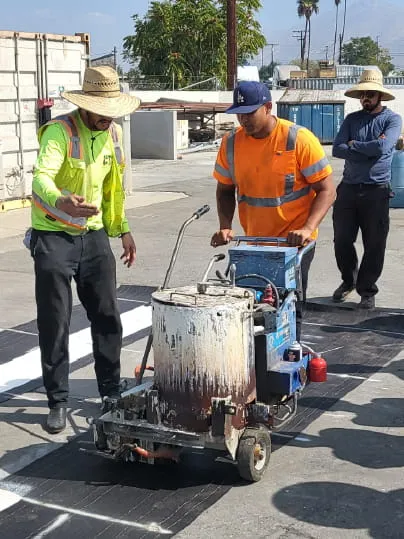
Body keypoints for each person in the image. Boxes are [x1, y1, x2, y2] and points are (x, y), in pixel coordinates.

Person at [30, 66, 141, 433]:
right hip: (54, 237)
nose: (107, 119)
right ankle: (57, 400)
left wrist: (122, 229)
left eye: (112, 113)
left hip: (93, 237)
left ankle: (110, 390)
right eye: (101, 113)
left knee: (107, 315)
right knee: (55, 321)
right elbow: (40, 178)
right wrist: (62, 201)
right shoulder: (59, 133)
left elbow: (113, 189)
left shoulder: (114, 135)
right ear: (85, 106)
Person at [211, 81, 335, 340]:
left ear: (268, 107)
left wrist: (307, 228)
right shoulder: (231, 144)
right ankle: (254, 368)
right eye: (239, 114)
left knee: (288, 306)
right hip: (253, 243)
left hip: (293, 244)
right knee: (250, 308)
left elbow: (327, 190)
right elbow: (224, 190)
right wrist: (225, 225)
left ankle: (290, 357)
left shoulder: (298, 140)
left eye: (250, 113)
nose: (243, 120)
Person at [332, 70, 402, 309]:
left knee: (374, 243)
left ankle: (367, 290)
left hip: (376, 191)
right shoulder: (351, 120)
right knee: (342, 239)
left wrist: (355, 144)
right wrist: (366, 148)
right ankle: (348, 281)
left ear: (379, 96)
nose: (366, 99)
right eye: (363, 94)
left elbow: (383, 148)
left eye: (370, 94)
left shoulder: (392, 120)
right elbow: (337, 149)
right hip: (349, 189)